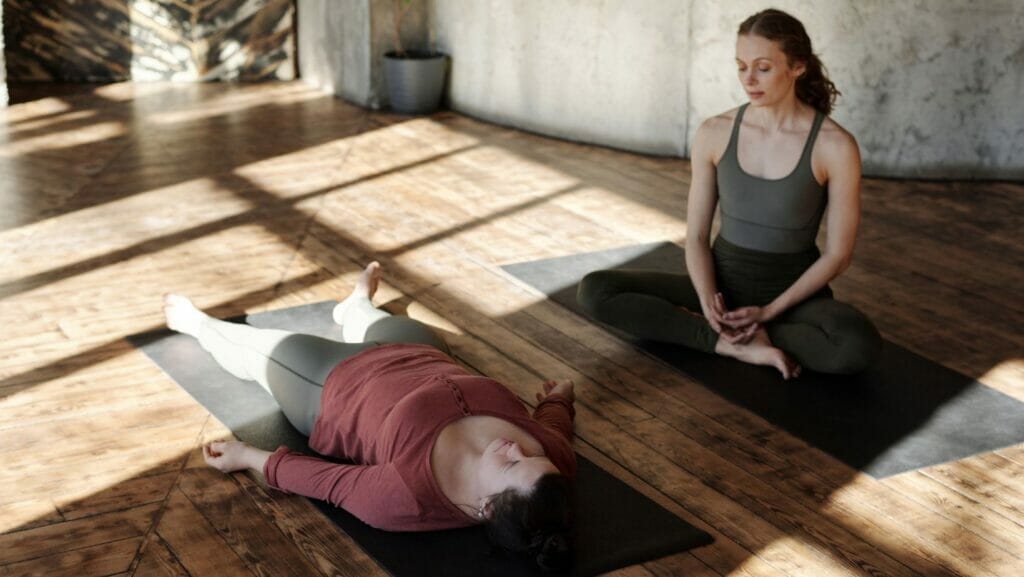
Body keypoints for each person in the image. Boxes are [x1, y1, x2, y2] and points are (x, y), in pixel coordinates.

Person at [164, 262, 577, 572]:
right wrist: (559, 401)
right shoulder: (550, 463)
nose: (516, 448)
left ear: (487, 507)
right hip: (421, 353)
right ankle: (355, 307)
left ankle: (197, 323)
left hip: (331, 383)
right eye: (530, 454)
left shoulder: (404, 498)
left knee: (252, 348)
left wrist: (247, 458)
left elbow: (328, 483)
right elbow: (553, 430)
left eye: (512, 463)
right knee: (386, 322)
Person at [578, 8, 880, 380]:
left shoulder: (835, 146)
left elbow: (838, 255)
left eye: (763, 67)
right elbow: (698, 236)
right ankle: (725, 342)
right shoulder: (715, 132)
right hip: (721, 286)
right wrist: (708, 304)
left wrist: (768, 312)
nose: (748, 79)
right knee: (596, 290)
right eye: (741, 66)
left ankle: (760, 333)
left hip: (792, 298)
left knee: (854, 345)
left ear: (798, 67)